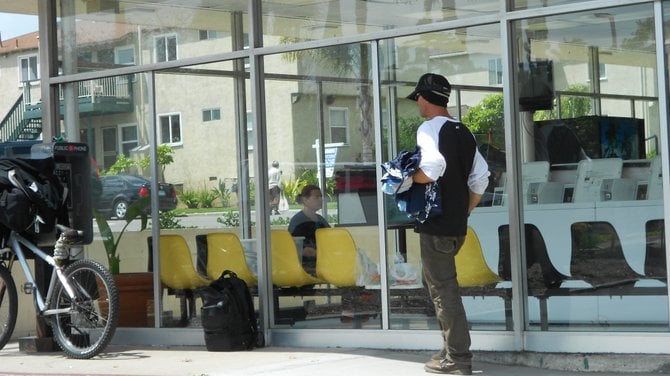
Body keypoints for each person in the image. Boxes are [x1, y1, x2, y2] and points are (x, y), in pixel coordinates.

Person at [406, 73, 489, 375]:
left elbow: (432, 167)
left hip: (436, 224)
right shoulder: (463, 131)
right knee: (443, 288)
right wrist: (464, 211)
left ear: (424, 99)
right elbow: (481, 177)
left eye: (418, 98)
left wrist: (406, 179)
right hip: (456, 226)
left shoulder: (429, 128)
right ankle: (448, 351)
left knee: (444, 291)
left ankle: (458, 358)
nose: (418, 103)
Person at [288, 184, 330, 275]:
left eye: (320, 197)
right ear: (305, 200)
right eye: (316, 197)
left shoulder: (321, 220)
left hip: (322, 260)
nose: (320, 200)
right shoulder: (298, 221)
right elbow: (294, 247)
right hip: (307, 264)